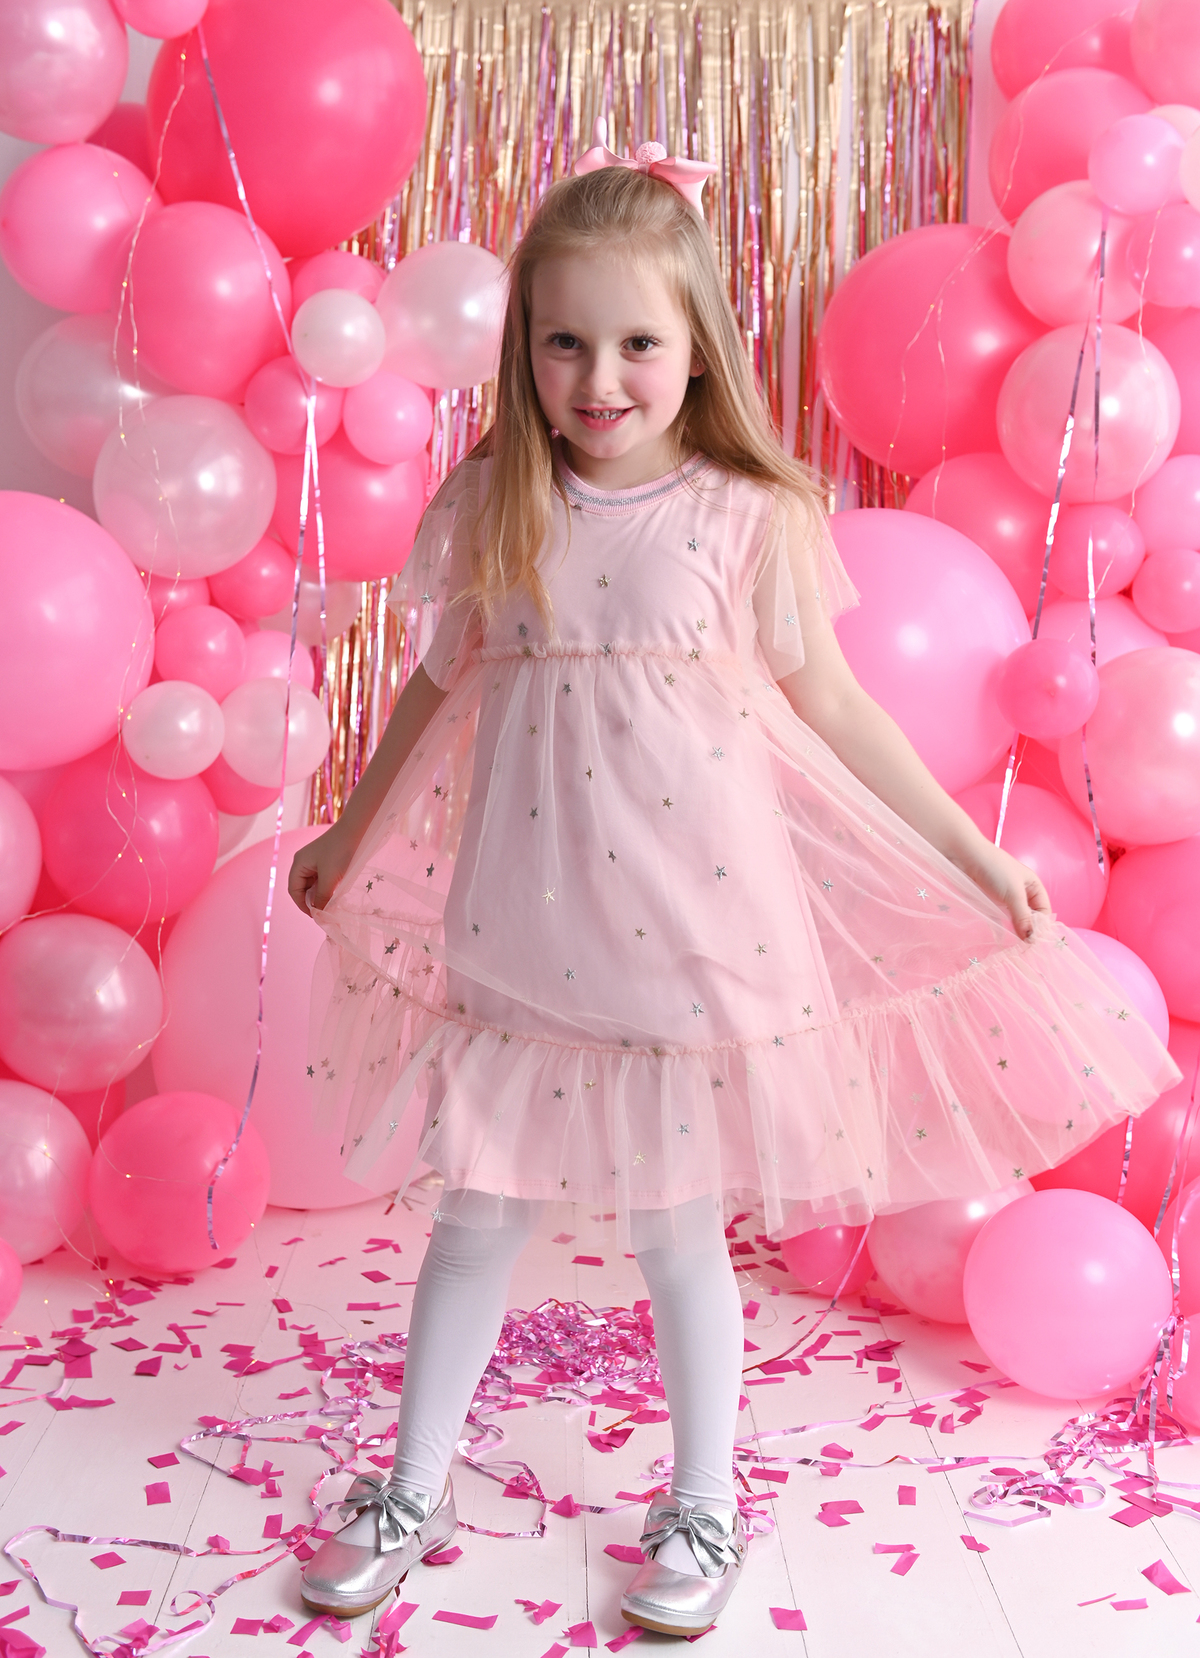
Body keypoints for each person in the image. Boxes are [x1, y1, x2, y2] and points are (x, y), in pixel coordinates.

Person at [286, 123, 1178, 1638]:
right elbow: (437, 690)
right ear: (523, 352)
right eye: (564, 343)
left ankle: (703, 1498)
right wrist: (347, 831)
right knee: (475, 1214)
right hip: (526, 922)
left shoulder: (744, 515)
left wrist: (968, 851)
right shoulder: (499, 503)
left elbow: (834, 705)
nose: (600, 377)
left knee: (677, 1231)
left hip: (687, 931)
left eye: (638, 342)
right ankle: (410, 1482)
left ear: (696, 347)